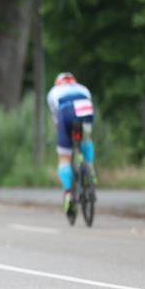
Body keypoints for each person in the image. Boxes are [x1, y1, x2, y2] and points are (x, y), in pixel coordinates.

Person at [46, 72, 95, 214]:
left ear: (58, 83)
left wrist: (62, 137)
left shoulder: (53, 92)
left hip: (66, 112)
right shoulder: (83, 88)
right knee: (86, 138)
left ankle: (68, 194)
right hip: (85, 109)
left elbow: (57, 120)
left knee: (64, 158)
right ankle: (90, 168)